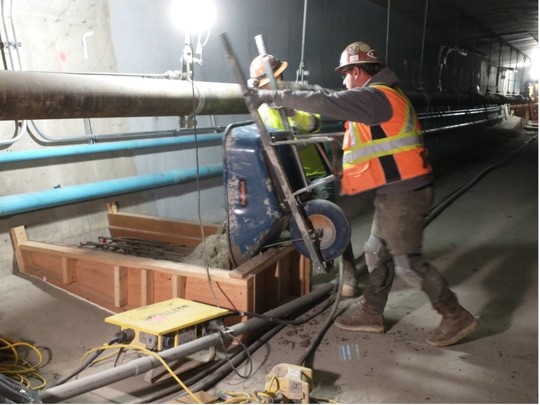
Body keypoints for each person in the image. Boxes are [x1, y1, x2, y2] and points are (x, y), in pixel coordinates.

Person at [252, 41, 478, 347]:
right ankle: (371, 311)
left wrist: (273, 95)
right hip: (394, 191)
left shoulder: (376, 97)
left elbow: (327, 100)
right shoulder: (380, 96)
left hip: (406, 194)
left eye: (346, 74)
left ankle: (454, 315)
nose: (344, 81)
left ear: (358, 72)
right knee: (374, 250)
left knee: (408, 265)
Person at [249, 54, 334, 201]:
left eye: (271, 82)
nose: (268, 87)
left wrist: (293, 113)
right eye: (264, 85)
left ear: (280, 76)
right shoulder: (262, 111)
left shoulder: (301, 95)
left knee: (327, 216)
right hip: (289, 177)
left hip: (316, 175)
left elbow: (314, 124)